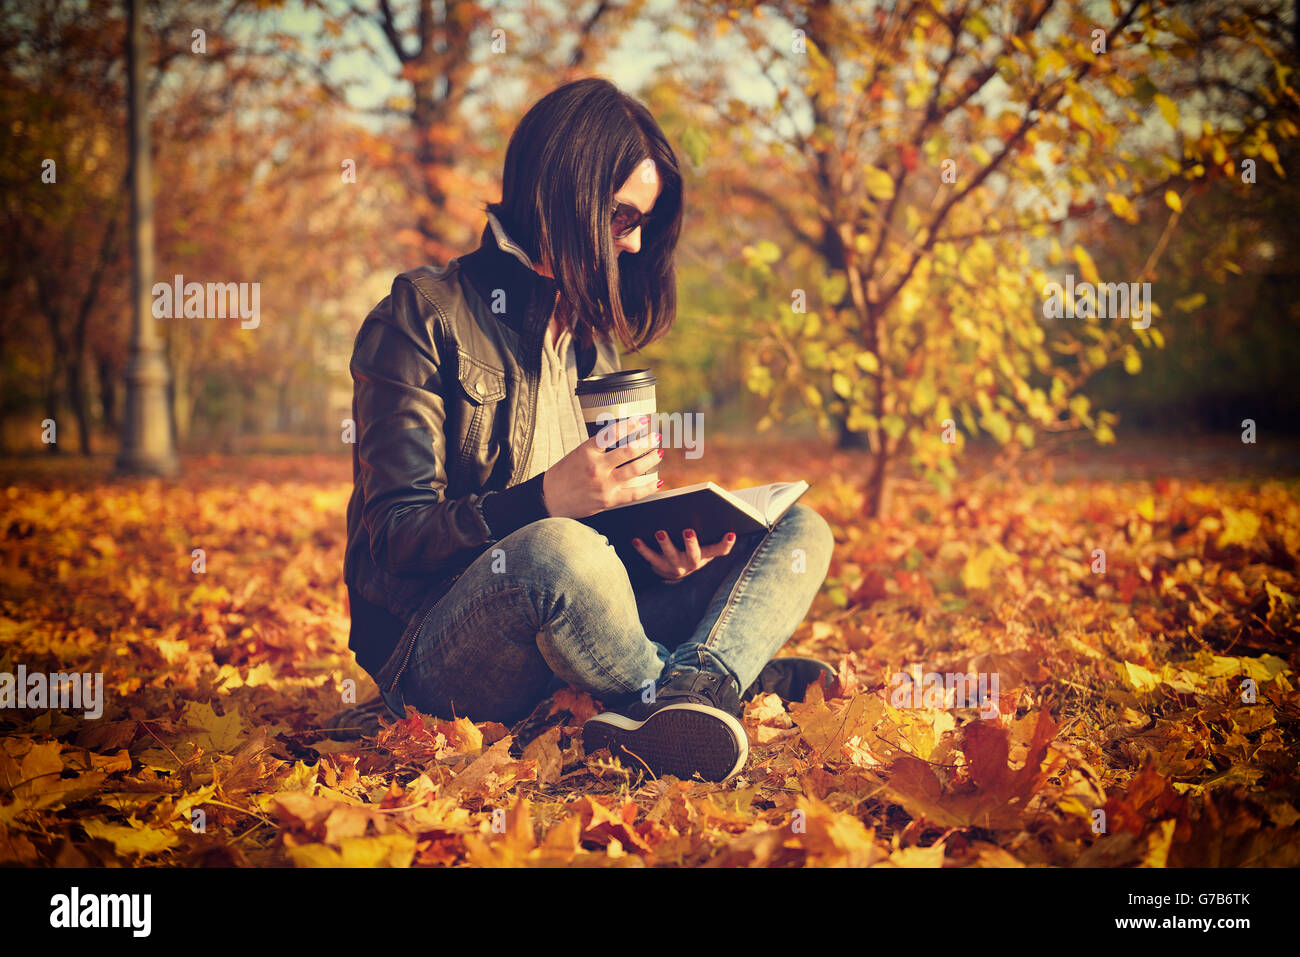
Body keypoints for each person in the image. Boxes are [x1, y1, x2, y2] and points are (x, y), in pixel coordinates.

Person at [340, 77, 835, 782]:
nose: (632, 246)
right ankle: (704, 682)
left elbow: (598, 547)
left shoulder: (590, 344)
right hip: (435, 646)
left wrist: (656, 550)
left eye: (643, 225)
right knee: (558, 547)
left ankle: (689, 693)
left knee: (800, 530)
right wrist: (541, 500)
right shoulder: (421, 316)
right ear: (561, 192)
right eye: (622, 217)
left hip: (569, 622)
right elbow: (395, 535)